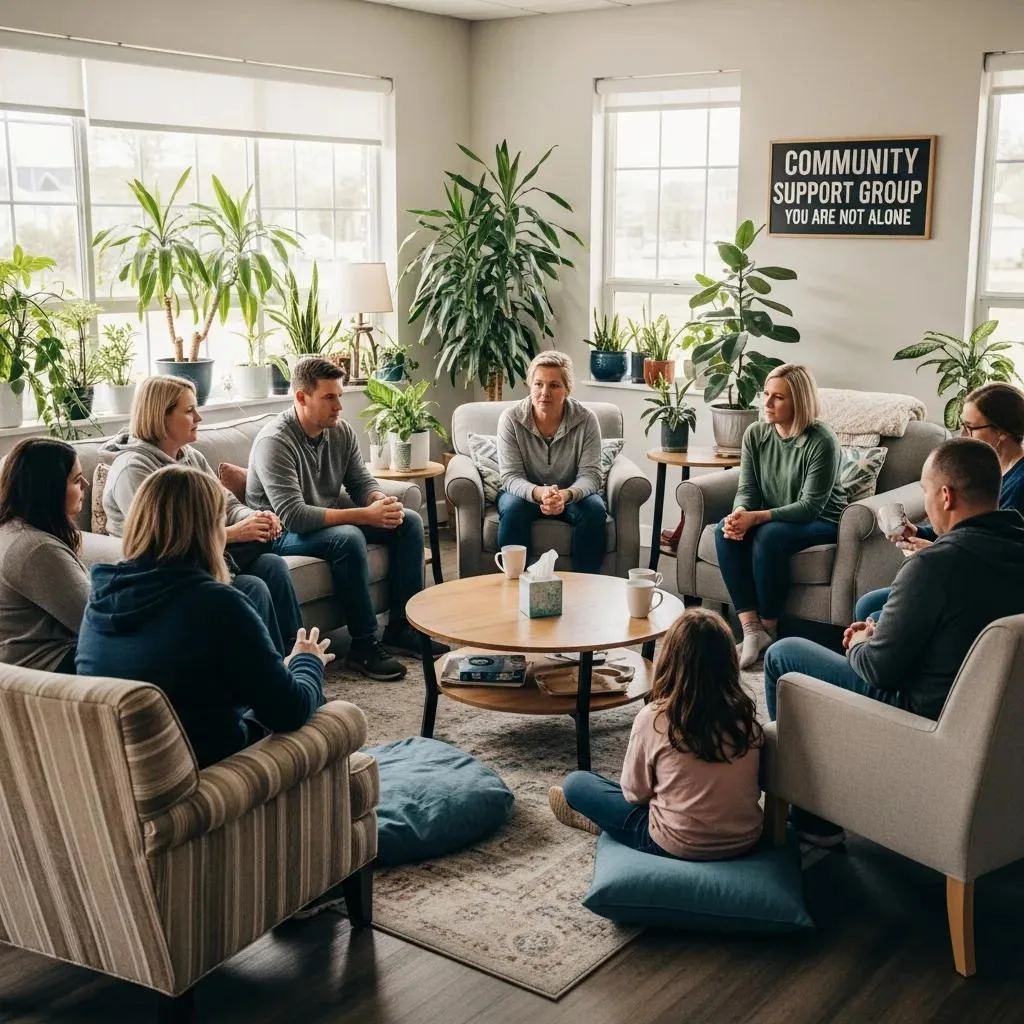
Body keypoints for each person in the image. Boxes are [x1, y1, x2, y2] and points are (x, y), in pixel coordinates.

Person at [763, 438, 1024, 844]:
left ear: (945, 495)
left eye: (924, 491)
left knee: (783, 654)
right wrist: (877, 628)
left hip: (928, 718)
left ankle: (814, 817)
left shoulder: (934, 565)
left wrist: (862, 643)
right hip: (991, 716)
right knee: (874, 607)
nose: (925, 503)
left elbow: (880, 671)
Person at [77, 466, 331, 769]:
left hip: (121, 767)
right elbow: (290, 712)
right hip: (205, 773)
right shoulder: (217, 603)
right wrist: (307, 660)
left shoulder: (99, 595)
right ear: (210, 529)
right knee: (323, 711)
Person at [246, 356, 440, 682]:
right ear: (301, 398)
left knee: (405, 522)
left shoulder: (340, 431)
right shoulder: (274, 442)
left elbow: (361, 483)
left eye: (340, 395)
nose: (339, 406)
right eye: (329, 397)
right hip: (278, 530)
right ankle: (364, 645)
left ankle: (401, 628)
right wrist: (365, 515)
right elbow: (294, 515)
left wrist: (380, 502)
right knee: (347, 536)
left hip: (315, 520)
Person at [101, 375, 302, 655]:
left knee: (272, 565)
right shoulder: (133, 469)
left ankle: (296, 657)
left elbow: (227, 504)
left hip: (207, 557)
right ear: (161, 416)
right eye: (189, 410)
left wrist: (253, 517)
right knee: (253, 586)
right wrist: (234, 533)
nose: (199, 417)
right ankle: (268, 679)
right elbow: (161, 539)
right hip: (165, 572)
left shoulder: (191, 457)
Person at [548, 608, 763, 860]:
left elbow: (634, 793)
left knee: (577, 783)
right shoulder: (746, 718)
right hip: (745, 840)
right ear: (728, 663)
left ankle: (607, 826)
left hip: (675, 843)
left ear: (670, 660)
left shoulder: (655, 718)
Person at [856, 381, 1024, 622]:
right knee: (867, 604)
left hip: (979, 591)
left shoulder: (1017, 488)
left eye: (970, 427)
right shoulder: (986, 470)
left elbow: (995, 560)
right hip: (960, 567)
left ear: (1001, 434)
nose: (962, 435)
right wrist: (919, 532)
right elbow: (968, 531)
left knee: (874, 614)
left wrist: (935, 555)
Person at [715, 364, 847, 668]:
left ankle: (770, 628)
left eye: (778, 397)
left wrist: (756, 518)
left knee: (768, 536)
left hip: (822, 520)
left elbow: (810, 506)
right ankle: (751, 629)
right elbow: (747, 489)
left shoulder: (821, 440)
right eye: (766, 394)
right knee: (724, 529)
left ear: (798, 401)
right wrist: (739, 513)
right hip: (777, 516)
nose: (767, 403)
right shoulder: (756, 434)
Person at [496, 350, 607, 574]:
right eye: (538, 384)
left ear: (567, 390)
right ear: (530, 386)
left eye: (554, 385)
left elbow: (591, 475)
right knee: (512, 508)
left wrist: (565, 495)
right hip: (525, 494)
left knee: (594, 509)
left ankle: (587, 583)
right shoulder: (511, 418)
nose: (544, 392)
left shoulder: (586, 420)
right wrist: (539, 493)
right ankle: (514, 582)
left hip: (571, 494)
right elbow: (510, 476)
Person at [0, 438, 89, 672]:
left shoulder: (12, 530)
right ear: (50, 488)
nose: (86, 484)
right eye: (77, 479)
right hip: (51, 668)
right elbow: (95, 622)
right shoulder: (35, 549)